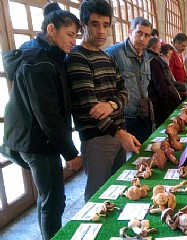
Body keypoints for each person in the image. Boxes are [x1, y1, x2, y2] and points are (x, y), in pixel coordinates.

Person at [3, 3, 82, 239]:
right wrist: (70, 153)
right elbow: (48, 115)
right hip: (37, 142)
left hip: (31, 137)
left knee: (47, 199)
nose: (73, 41)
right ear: (51, 29)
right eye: (69, 35)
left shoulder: (42, 52)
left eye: (76, 36)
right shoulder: (39, 61)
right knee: (53, 201)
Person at [65, 0, 141, 202]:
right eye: (95, 24)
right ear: (84, 25)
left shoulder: (107, 57)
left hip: (118, 131)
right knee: (97, 196)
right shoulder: (77, 58)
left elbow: (124, 91)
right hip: (97, 138)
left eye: (105, 25)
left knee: (117, 189)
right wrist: (119, 132)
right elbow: (90, 107)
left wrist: (112, 104)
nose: (101, 31)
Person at [106, 17, 153, 144]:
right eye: (139, 33)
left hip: (143, 116)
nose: (142, 38)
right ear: (130, 31)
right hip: (123, 119)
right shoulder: (113, 53)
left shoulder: (147, 56)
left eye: (147, 35)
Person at [147, 37, 181, 127]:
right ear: (153, 48)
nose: (160, 51)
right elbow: (160, 83)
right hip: (159, 100)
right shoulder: (153, 60)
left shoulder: (153, 58)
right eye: (159, 48)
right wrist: (165, 100)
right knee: (165, 125)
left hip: (159, 97)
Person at [169, 33, 187, 101]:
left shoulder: (180, 54)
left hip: (182, 86)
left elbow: (182, 67)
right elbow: (170, 75)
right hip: (177, 89)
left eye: (185, 46)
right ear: (175, 43)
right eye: (183, 46)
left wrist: (186, 75)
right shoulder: (171, 55)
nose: (184, 48)